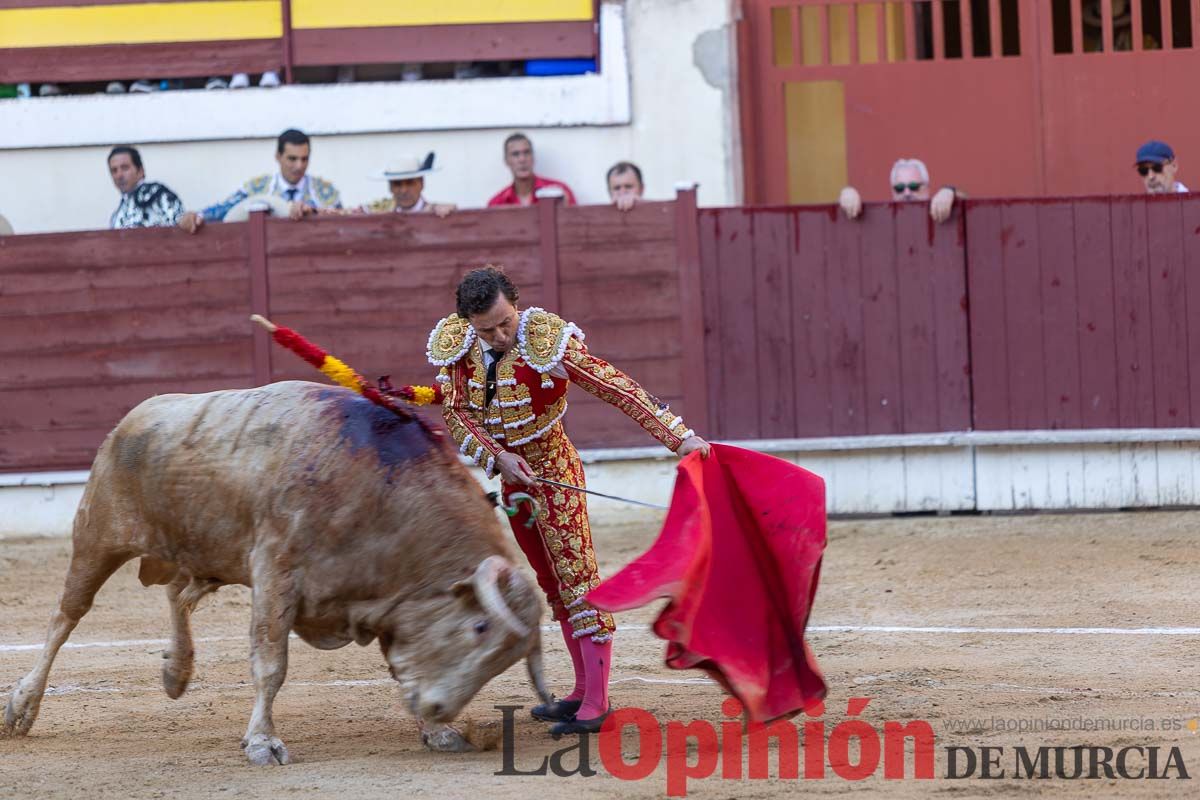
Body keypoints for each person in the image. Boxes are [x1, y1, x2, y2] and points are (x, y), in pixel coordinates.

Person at [425, 266, 710, 734]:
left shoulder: (547, 342)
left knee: (578, 580)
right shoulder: (459, 346)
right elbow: (455, 414)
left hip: (556, 473)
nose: (498, 335)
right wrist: (499, 457)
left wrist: (678, 437)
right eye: (487, 329)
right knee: (552, 582)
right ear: (468, 323)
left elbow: (614, 386)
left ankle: (597, 703)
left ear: (516, 304)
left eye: (505, 322)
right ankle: (580, 690)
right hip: (514, 480)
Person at [178, 129, 341, 233]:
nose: (299, 166)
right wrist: (198, 216)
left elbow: (341, 223)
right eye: (292, 159)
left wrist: (312, 212)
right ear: (278, 157)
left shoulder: (325, 192)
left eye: (304, 159)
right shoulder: (259, 187)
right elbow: (227, 208)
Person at [839, 158, 963, 223]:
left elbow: (966, 203)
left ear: (927, 189)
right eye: (899, 188)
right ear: (892, 192)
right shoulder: (885, 220)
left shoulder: (941, 208)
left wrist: (949, 192)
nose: (907, 193)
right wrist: (846, 194)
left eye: (914, 187)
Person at [487, 133, 577, 207]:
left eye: (527, 152)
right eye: (515, 154)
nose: (522, 159)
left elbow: (575, 225)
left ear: (533, 157)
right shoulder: (497, 203)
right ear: (506, 161)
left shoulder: (559, 193)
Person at [107, 146, 184, 229]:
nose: (119, 175)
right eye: (114, 170)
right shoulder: (116, 215)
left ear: (140, 171)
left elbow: (181, 224)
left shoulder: (158, 195)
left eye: (125, 168)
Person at [360, 153, 456, 217]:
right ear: (390, 187)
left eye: (410, 183)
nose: (403, 190)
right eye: (397, 184)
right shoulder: (378, 211)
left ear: (421, 184)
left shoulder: (436, 211)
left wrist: (451, 213)